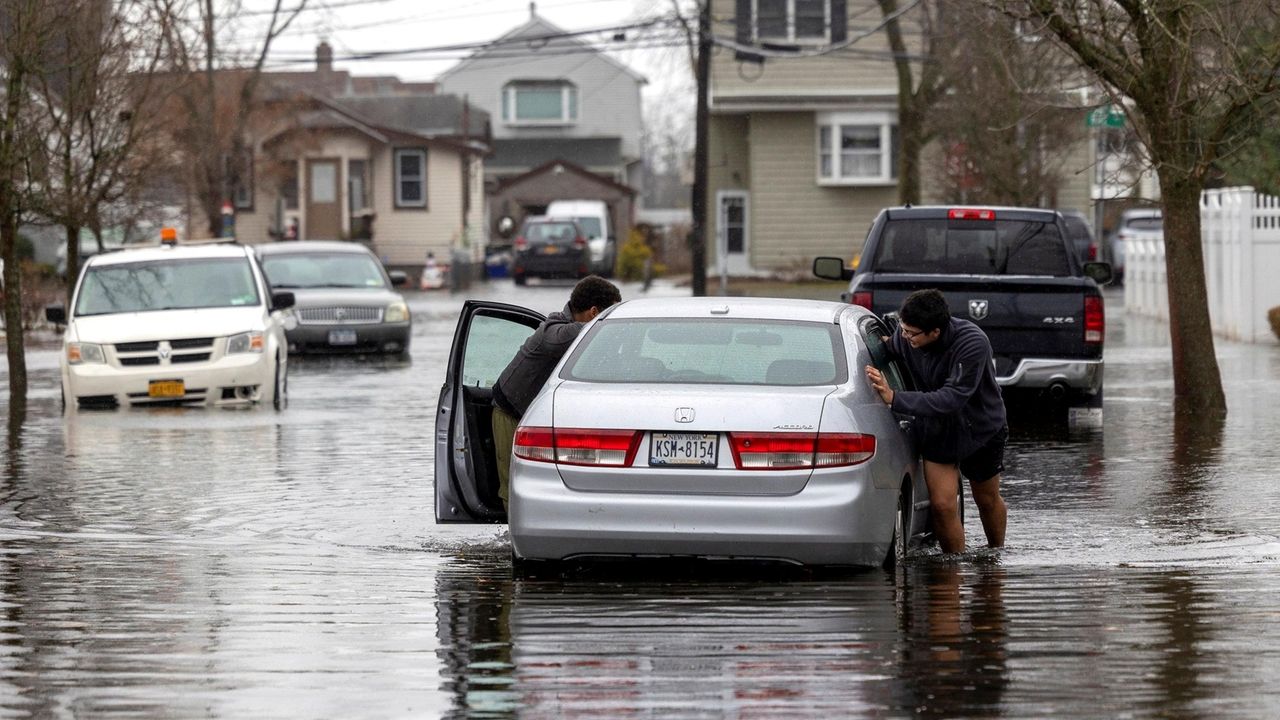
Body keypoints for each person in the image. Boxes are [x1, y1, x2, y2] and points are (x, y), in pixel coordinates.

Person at [864, 288, 1008, 552]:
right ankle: (954, 568)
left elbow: (951, 399)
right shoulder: (906, 338)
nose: (904, 337)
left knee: (985, 498)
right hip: (937, 430)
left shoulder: (972, 343)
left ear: (935, 332)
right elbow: (888, 345)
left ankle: (995, 554)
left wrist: (895, 398)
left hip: (980, 429)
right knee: (942, 505)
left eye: (911, 333)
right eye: (903, 330)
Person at [491, 275, 622, 510]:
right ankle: (512, 542)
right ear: (594, 313)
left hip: (540, 420)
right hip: (510, 413)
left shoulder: (582, 334)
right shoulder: (553, 329)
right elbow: (558, 339)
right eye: (608, 316)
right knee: (514, 485)